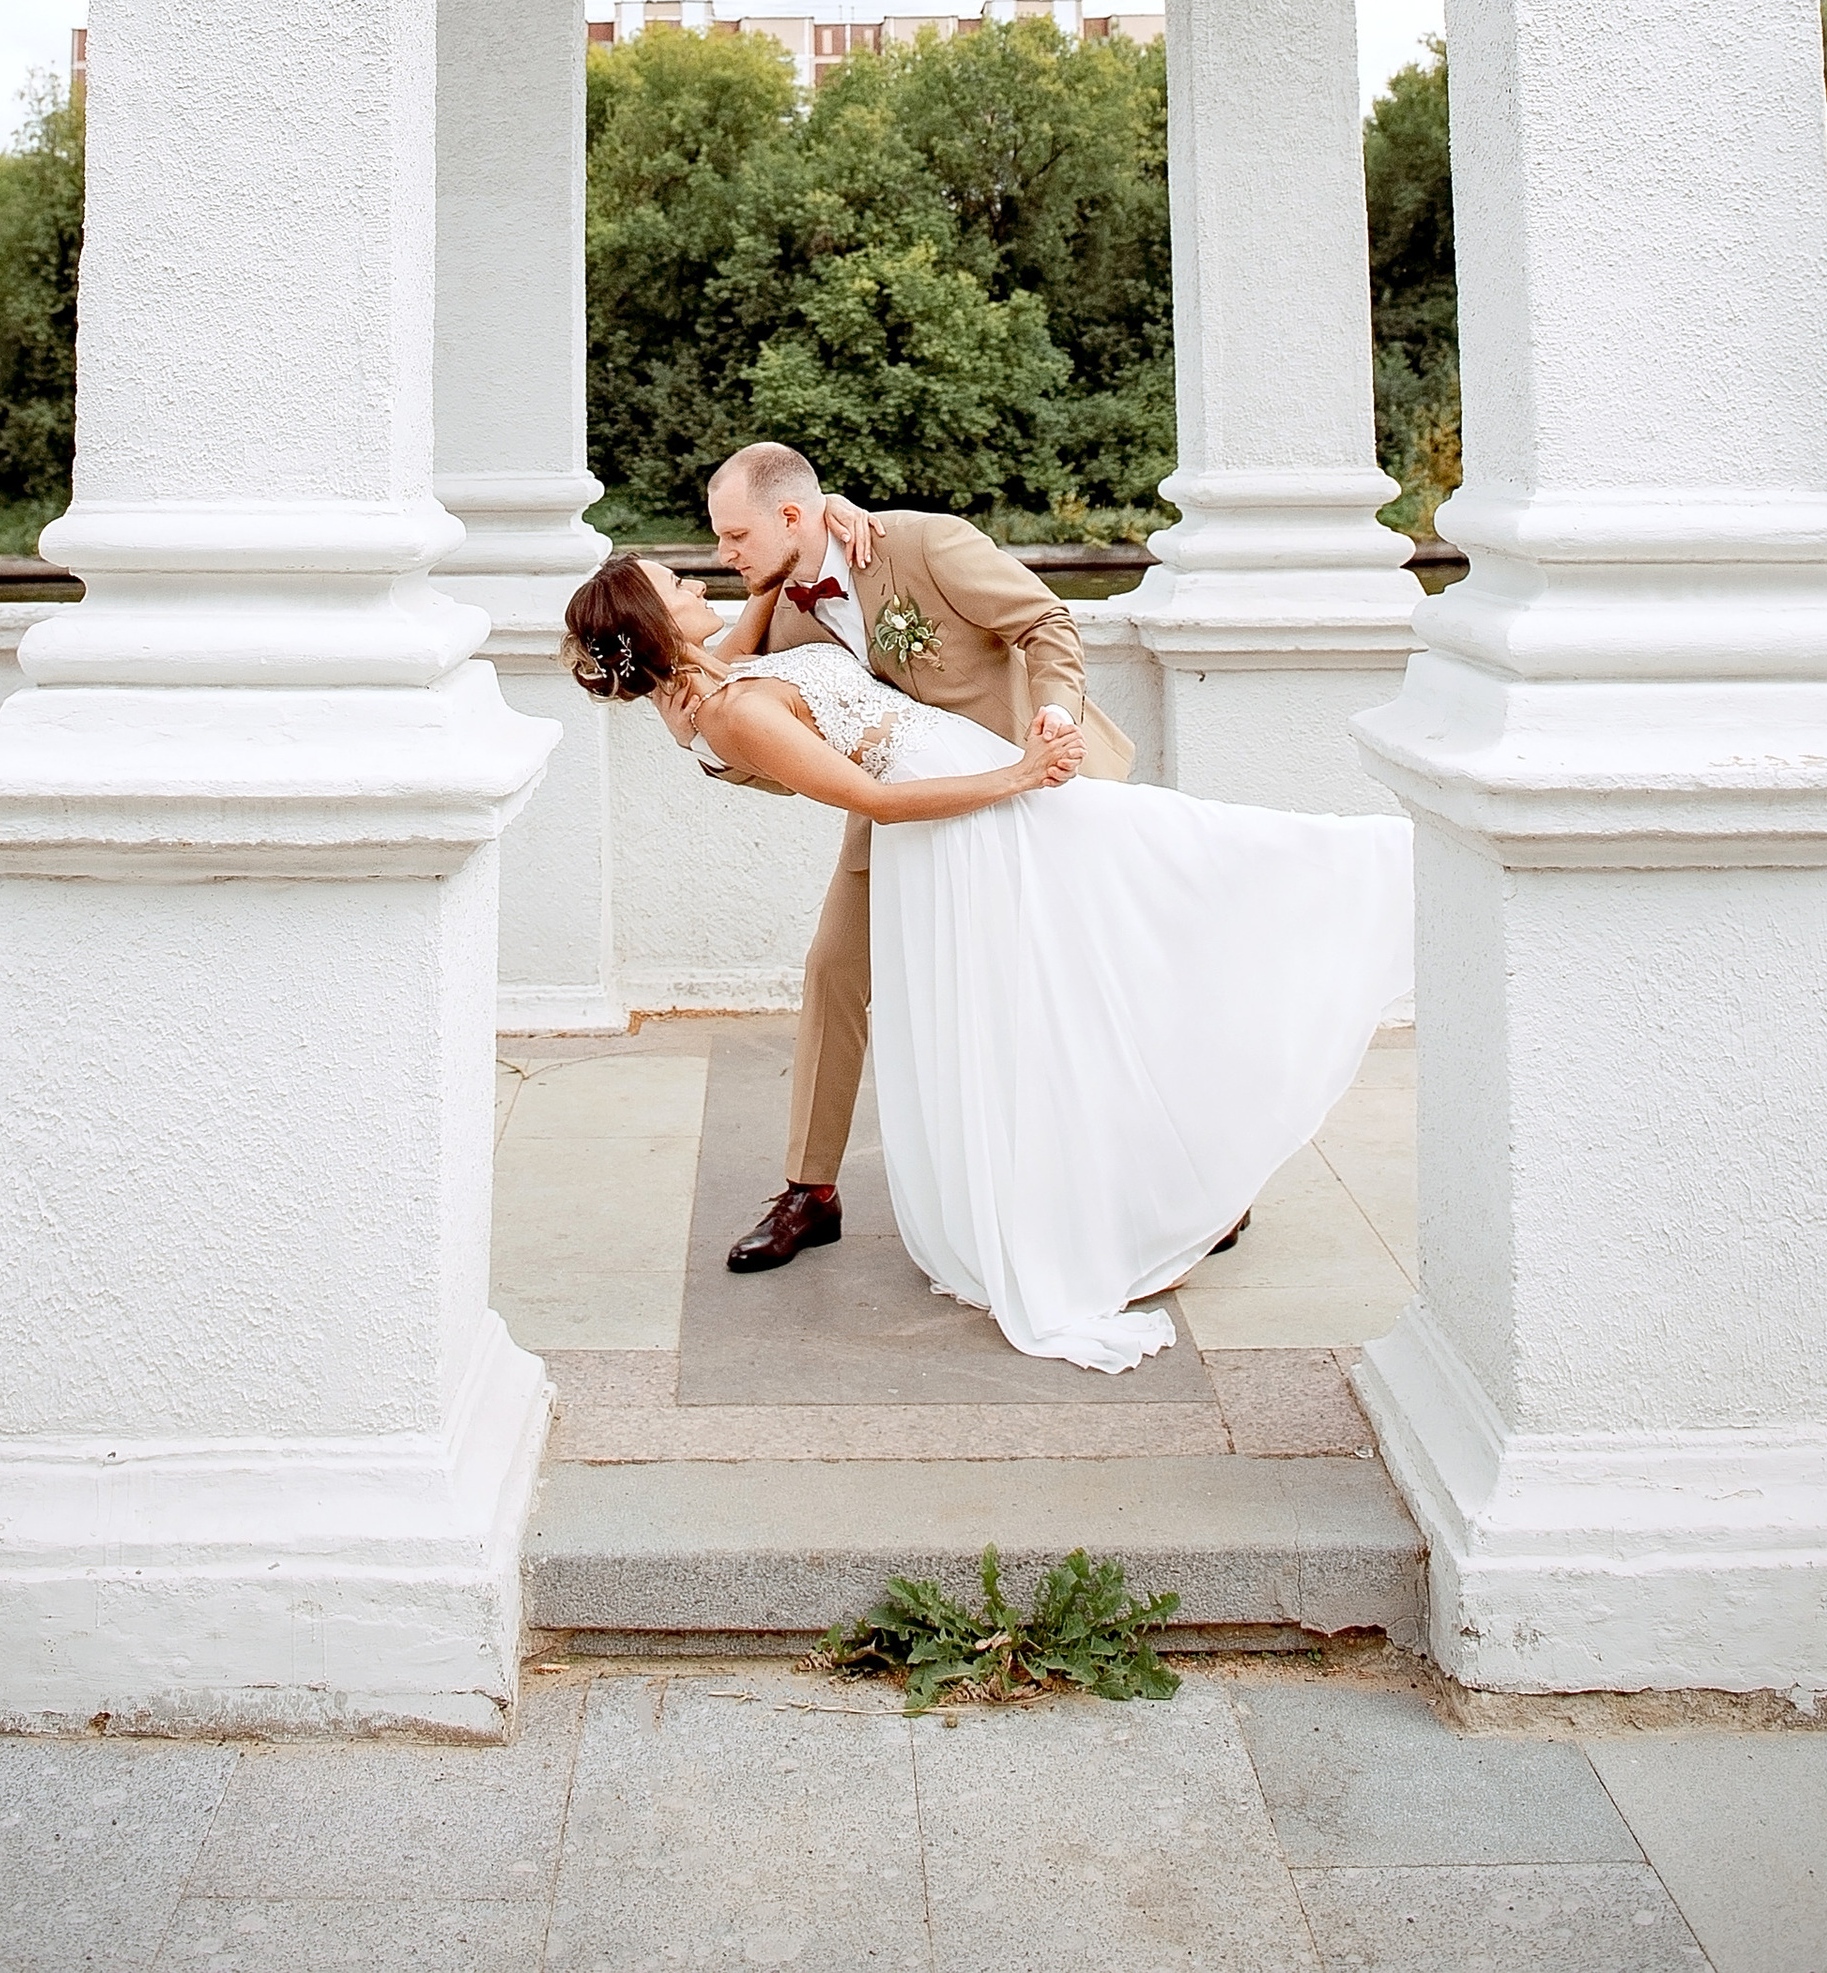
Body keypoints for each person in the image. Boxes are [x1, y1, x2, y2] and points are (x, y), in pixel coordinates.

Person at [563, 538, 1414, 1375]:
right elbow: (877, 800)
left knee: (1138, 897)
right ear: (653, 618)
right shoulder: (731, 709)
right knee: (1124, 922)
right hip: (961, 811)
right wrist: (1022, 774)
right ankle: (1378, 869)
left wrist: (796, 547)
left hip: (963, 774)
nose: (697, 569)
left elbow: (736, 640)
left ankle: (1184, 1143)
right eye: (674, 578)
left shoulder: (701, 678)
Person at [695, 441, 1132, 1275]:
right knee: (833, 971)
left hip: (1031, 783)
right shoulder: (779, 612)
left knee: (1084, 984)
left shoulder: (922, 544)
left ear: (792, 515)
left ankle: (1177, 1178)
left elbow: (1046, 621)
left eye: (734, 535)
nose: (724, 555)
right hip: (902, 811)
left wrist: (1056, 715)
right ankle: (810, 1190)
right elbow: (749, 720)